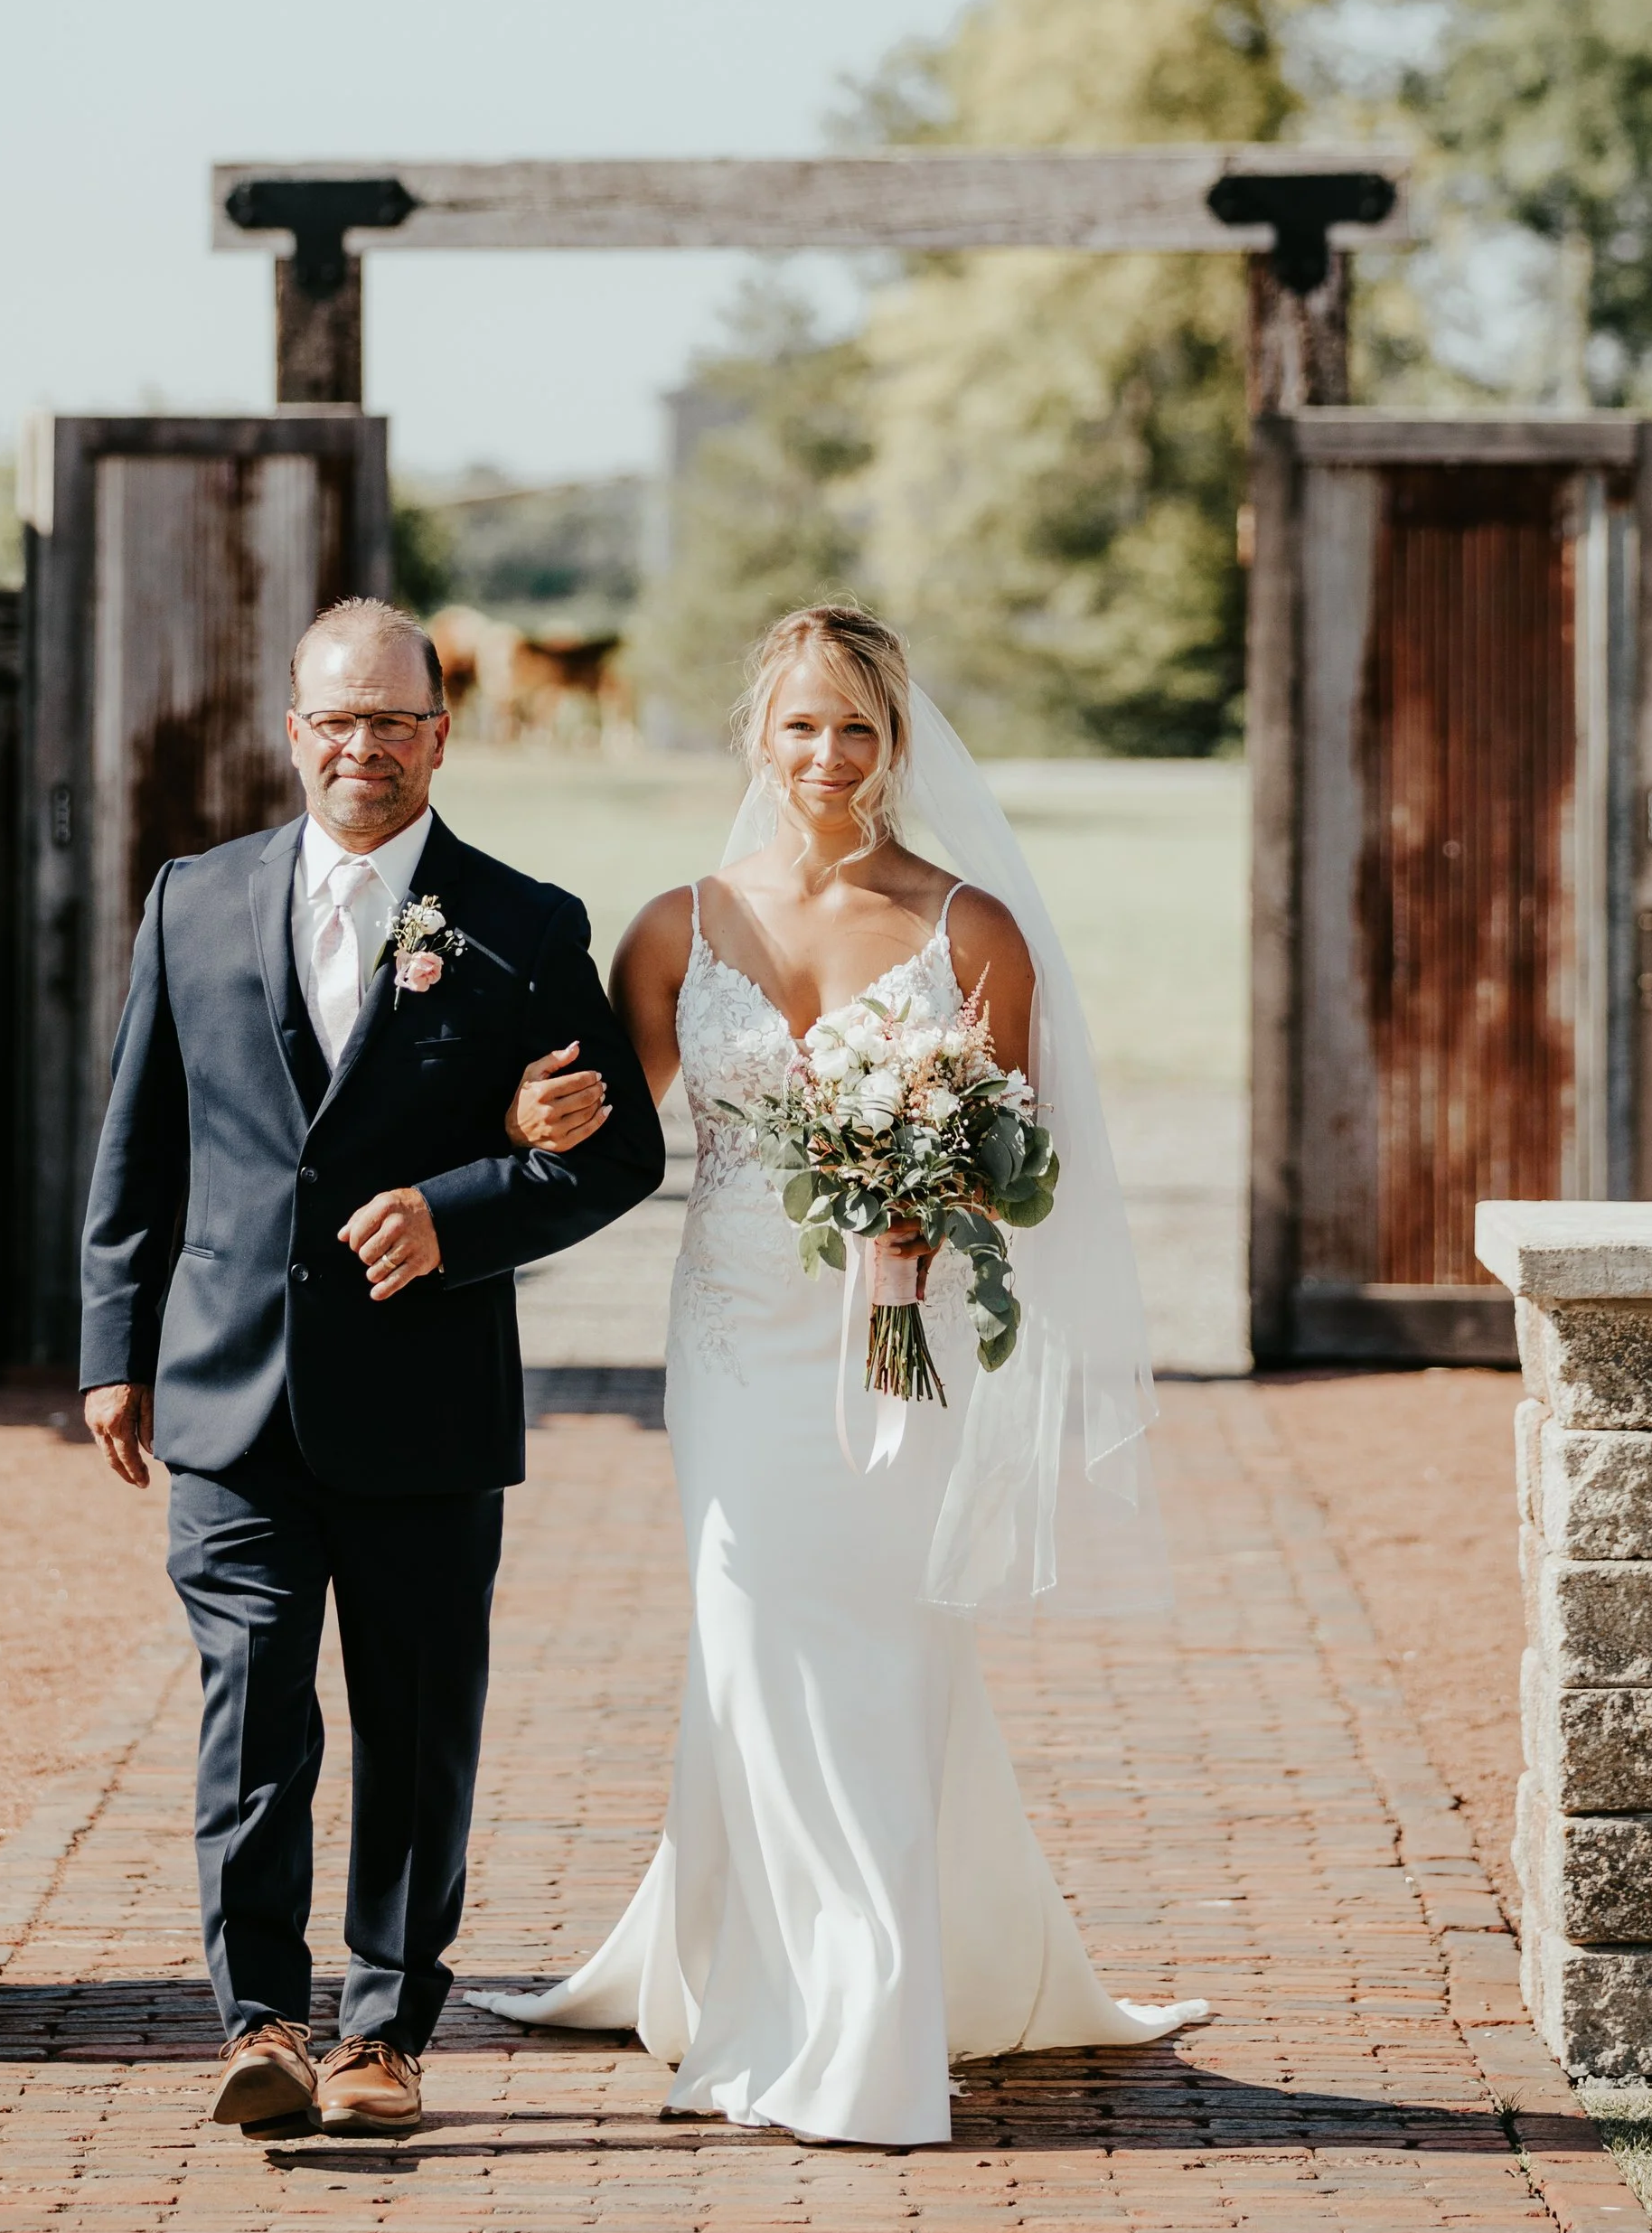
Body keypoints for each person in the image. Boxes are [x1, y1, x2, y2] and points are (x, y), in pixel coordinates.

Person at [479, 603, 1206, 2147]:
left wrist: (925, 1198)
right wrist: (531, 1129)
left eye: (860, 727)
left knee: (888, 1656)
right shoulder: (678, 927)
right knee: (750, 1643)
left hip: (904, 1343)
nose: (830, 754)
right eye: (803, 724)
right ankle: (799, 1997)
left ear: (899, 743)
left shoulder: (970, 931)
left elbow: (1023, 1169)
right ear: (760, 732)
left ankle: (878, 1998)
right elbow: (612, 1137)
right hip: (737, 1344)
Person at [78, 596, 664, 2142]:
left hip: (423, 1407)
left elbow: (618, 1161)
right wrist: (109, 1350)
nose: (363, 747)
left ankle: (387, 2032)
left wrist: (460, 1213)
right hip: (226, 1389)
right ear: (294, 731)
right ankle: (262, 2020)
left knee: (413, 1731)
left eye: (394, 721)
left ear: (440, 735)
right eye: (336, 719)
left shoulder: (523, 927)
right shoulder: (191, 902)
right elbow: (139, 1148)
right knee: (251, 1709)